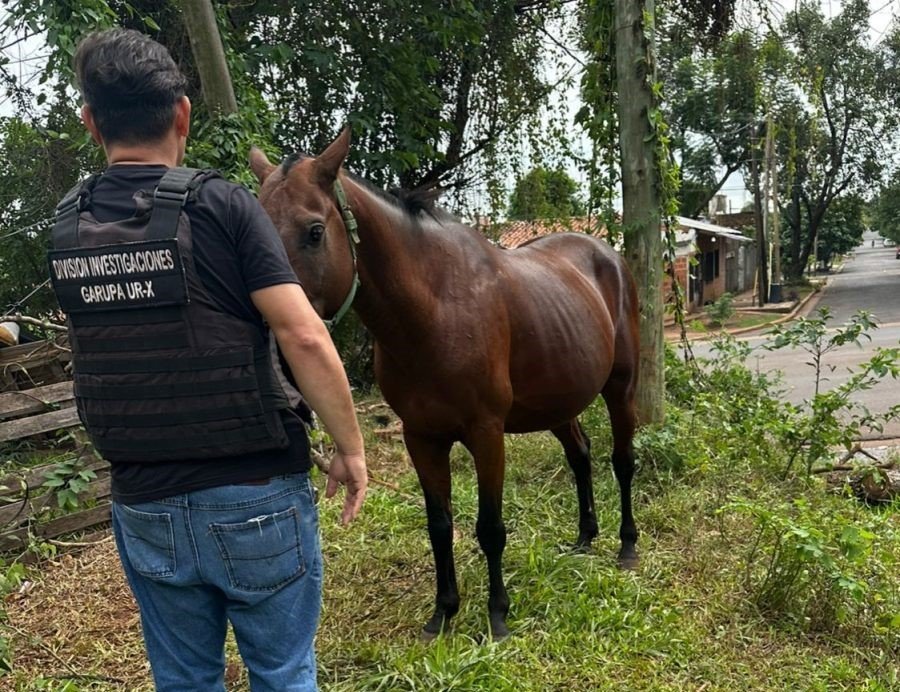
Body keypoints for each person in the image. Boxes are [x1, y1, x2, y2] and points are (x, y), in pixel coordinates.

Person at [48, 28, 366, 691]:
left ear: (89, 123)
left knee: (185, 681)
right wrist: (352, 449)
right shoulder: (221, 204)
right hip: (256, 499)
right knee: (282, 674)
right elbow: (303, 335)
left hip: (145, 505)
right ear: (183, 114)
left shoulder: (67, 226)